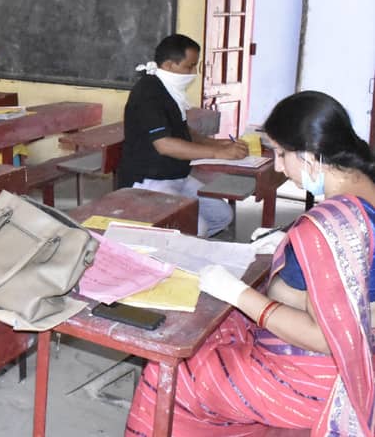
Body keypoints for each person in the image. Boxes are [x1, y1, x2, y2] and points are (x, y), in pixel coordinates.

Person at [125, 91, 375, 436]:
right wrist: (288, 245)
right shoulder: (365, 190)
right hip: (356, 357)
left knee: (172, 371)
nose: (278, 166)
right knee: (218, 327)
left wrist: (237, 293)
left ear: (311, 155)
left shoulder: (327, 228)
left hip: (322, 379)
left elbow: (323, 337)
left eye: (282, 154)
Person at [116, 34, 248, 237]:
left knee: (222, 215)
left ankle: (182, 245)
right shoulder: (148, 94)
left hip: (178, 176)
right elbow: (165, 144)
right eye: (189, 67)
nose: (194, 73)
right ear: (169, 65)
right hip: (149, 181)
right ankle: (171, 248)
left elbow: (184, 131)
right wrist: (217, 154)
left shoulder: (171, 90)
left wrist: (219, 144)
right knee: (196, 227)